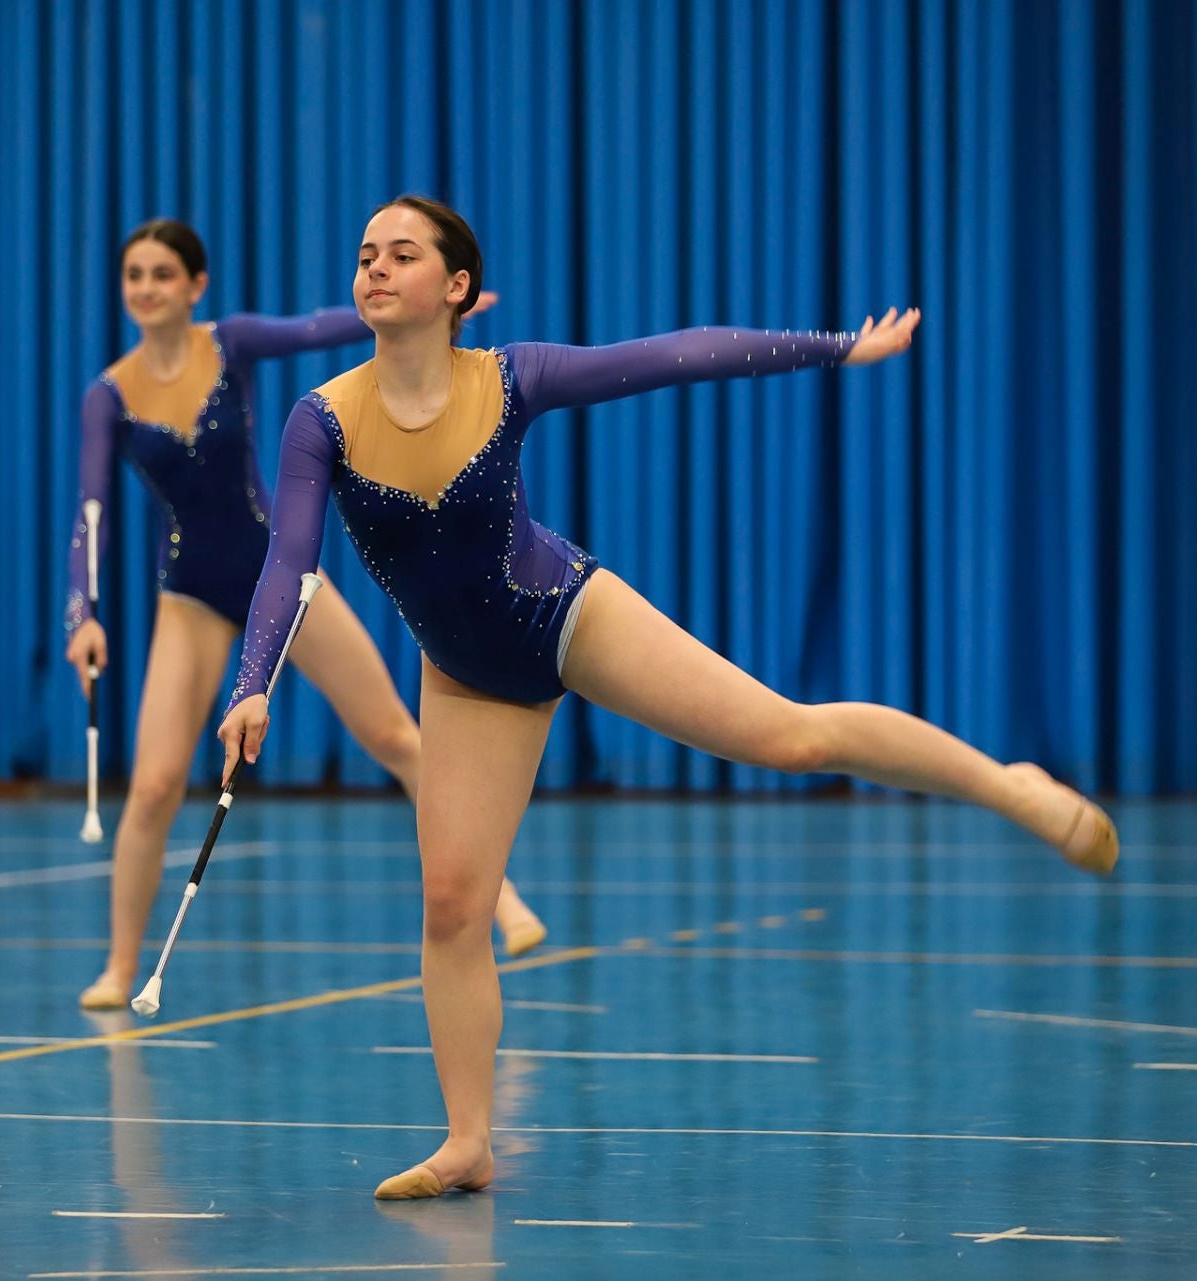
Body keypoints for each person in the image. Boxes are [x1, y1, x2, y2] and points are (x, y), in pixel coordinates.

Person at [217, 195, 1119, 1198]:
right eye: (364, 256)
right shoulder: (323, 420)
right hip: (467, 676)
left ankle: (1010, 786)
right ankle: (469, 1140)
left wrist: (829, 349)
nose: (374, 270)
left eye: (402, 255)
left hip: (566, 614)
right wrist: (252, 685)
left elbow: (679, 352)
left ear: (456, 286)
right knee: (451, 907)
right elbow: (288, 564)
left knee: (792, 739)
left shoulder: (512, 377)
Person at [67, 219, 548, 1011]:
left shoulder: (234, 343)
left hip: (279, 583)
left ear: (195, 286)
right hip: (188, 597)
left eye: (162, 274)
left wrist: (438, 316)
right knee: (152, 786)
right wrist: (81, 612)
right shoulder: (108, 395)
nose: (146, 288)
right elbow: (91, 510)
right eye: (134, 275)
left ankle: (505, 900)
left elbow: (322, 326)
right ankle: (122, 965)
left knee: (395, 734)